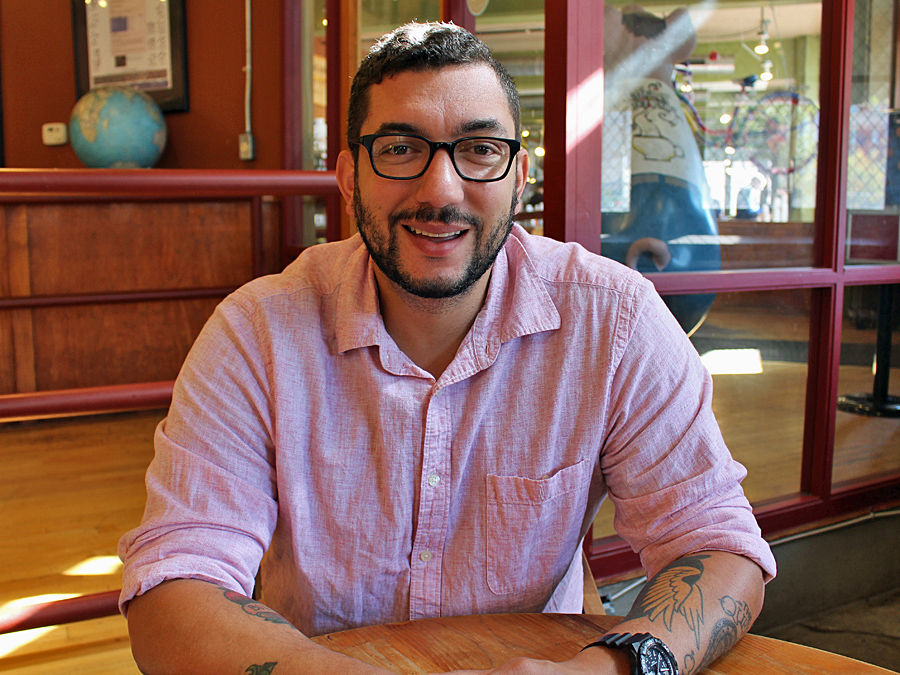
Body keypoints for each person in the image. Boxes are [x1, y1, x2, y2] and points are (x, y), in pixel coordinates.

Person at [119, 21, 776, 675]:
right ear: (348, 177)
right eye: (400, 148)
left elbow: (717, 543)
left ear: (519, 176)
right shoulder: (257, 334)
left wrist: (608, 671)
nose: (440, 190)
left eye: (480, 149)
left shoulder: (615, 320)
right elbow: (175, 584)